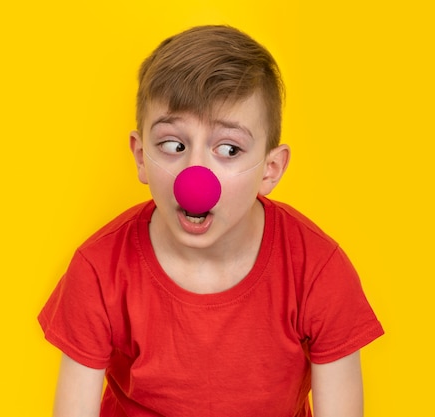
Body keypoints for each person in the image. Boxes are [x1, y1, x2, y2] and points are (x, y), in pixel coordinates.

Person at [38, 25, 384, 417]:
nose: (196, 176)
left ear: (270, 169)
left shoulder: (318, 271)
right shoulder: (99, 270)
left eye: (229, 149)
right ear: (140, 156)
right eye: (173, 145)